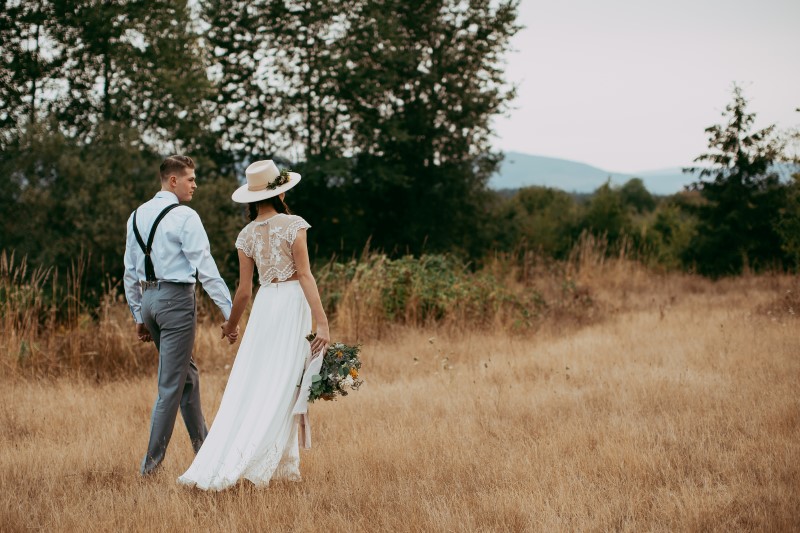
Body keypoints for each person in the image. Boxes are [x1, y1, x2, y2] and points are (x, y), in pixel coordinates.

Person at [177, 159, 330, 491]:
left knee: (259, 382)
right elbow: (304, 275)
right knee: (285, 385)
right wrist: (323, 323)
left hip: (265, 308)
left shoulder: (245, 235)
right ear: (280, 190)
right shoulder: (294, 224)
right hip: (291, 305)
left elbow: (244, 291)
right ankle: (263, 463)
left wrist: (231, 326)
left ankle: (282, 465)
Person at [123, 155, 234, 476]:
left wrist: (138, 316)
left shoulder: (135, 216)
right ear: (173, 180)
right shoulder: (184, 215)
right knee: (171, 386)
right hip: (175, 302)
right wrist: (230, 314)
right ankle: (150, 469)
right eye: (190, 179)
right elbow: (205, 267)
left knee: (188, 377)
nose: (195, 185)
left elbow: (129, 270)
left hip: (149, 301)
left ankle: (205, 451)